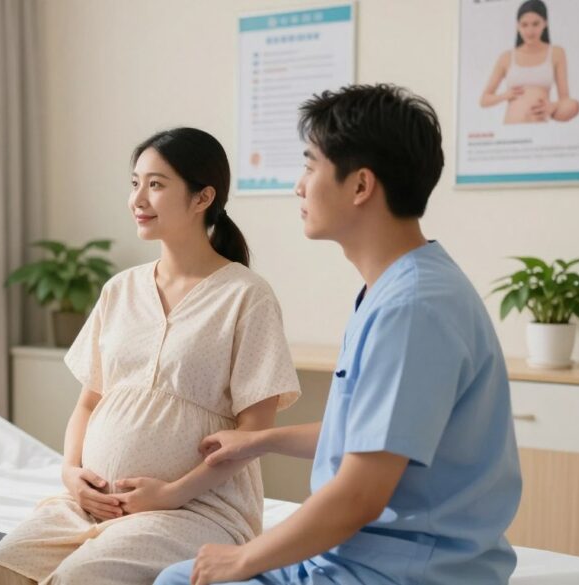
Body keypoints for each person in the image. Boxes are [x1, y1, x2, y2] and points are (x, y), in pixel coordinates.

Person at [156, 84, 522, 585]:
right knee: (178, 574)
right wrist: (260, 440)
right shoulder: (399, 287)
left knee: (182, 580)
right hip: (366, 556)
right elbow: (370, 436)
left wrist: (243, 559)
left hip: (397, 572)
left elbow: (358, 496)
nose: (299, 186)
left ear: (360, 185)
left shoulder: (412, 309)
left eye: (310, 166)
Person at [0, 127, 301, 584]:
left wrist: (171, 493)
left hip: (198, 508)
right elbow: (89, 401)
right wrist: (71, 474)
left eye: (157, 184)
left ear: (202, 197)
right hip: (89, 505)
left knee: (80, 579)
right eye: (135, 183)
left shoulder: (246, 296)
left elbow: (255, 430)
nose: (138, 199)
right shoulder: (120, 289)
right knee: (3, 569)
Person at [480, 0, 579, 124]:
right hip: (512, 128)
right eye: (524, 25)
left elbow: (565, 100)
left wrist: (553, 107)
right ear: (518, 26)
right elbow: (484, 100)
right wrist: (505, 95)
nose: (530, 31)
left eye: (535, 24)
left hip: (539, 130)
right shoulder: (506, 57)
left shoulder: (556, 53)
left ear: (545, 23)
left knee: (574, 105)